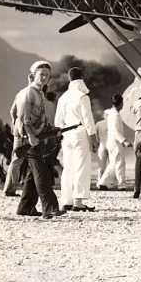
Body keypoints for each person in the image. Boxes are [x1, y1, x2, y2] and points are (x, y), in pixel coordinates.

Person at [15, 61, 64, 219]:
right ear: (32, 75)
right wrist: (29, 135)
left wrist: (51, 130)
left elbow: (12, 112)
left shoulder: (39, 93)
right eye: (41, 74)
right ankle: (50, 208)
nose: (44, 78)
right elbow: (23, 118)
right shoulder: (29, 92)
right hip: (29, 139)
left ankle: (25, 207)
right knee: (41, 173)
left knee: (32, 174)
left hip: (35, 137)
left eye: (47, 76)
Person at [55, 67, 98, 212]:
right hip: (80, 133)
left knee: (68, 167)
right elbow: (88, 119)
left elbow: (58, 122)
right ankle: (78, 202)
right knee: (81, 166)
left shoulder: (63, 97)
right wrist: (93, 138)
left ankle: (66, 200)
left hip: (67, 135)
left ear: (69, 79)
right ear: (82, 78)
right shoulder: (82, 96)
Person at [98, 94, 132, 191]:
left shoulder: (112, 113)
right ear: (121, 103)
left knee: (113, 163)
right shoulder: (115, 115)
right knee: (120, 163)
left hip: (111, 142)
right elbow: (115, 130)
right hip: (115, 142)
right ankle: (121, 184)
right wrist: (124, 141)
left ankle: (103, 182)